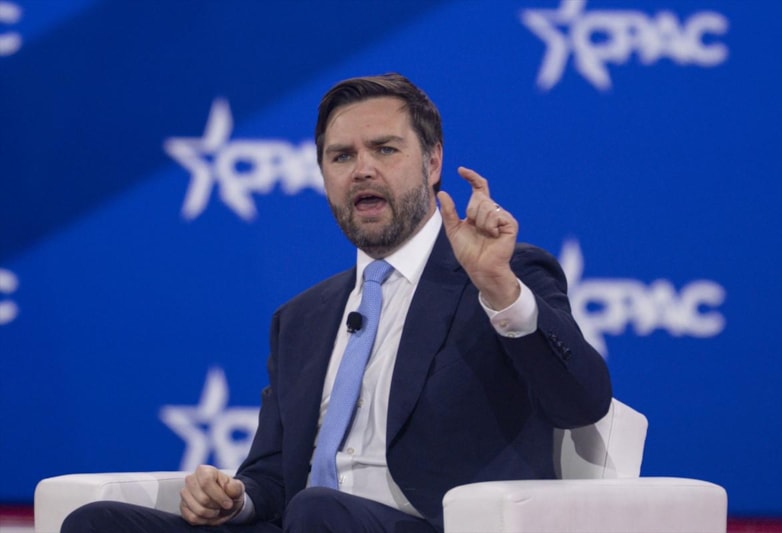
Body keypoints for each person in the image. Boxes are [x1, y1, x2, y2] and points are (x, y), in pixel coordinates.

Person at [63, 73, 611, 532]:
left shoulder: (501, 278)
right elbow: (273, 476)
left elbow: (581, 403)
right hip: (308, 522)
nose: (362, 169)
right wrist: (236, 498)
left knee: (318, 510)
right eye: (341, 156)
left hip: (423, 525)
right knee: (97, 522)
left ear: (433, 162)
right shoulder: (301, 318)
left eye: (385, 149)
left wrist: (499, 288)